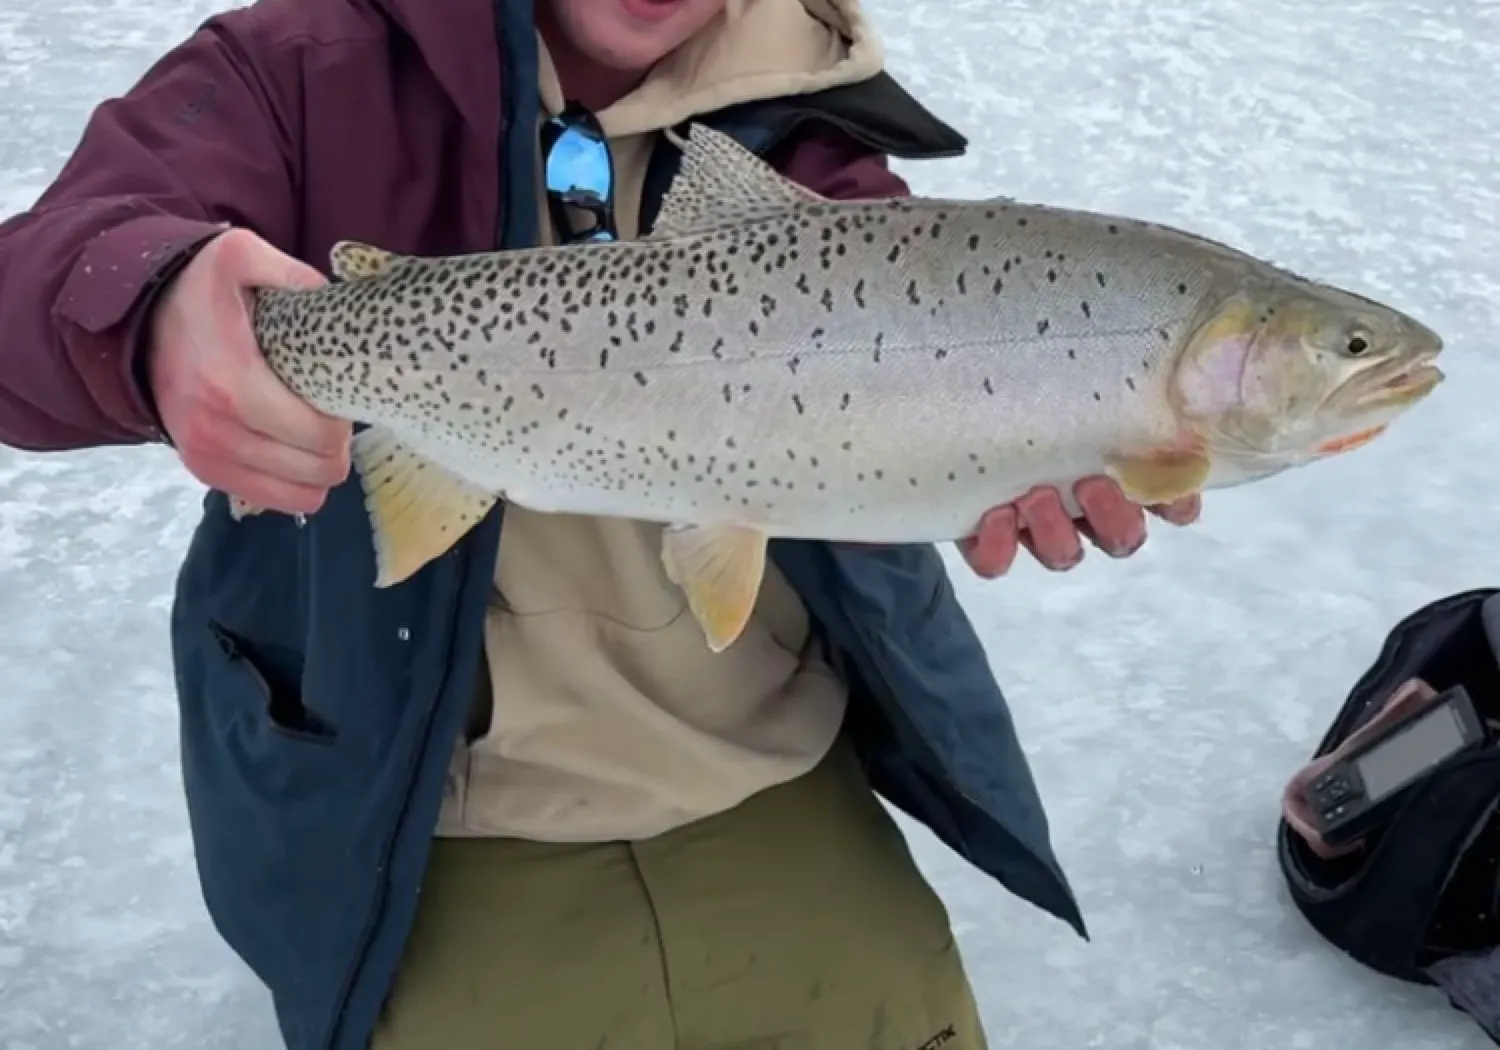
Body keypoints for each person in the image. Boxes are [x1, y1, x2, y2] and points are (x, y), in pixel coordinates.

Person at [0, 0, 1201, 1047]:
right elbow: (33, 293)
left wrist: (1001, 454)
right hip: (434, 834)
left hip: (778, 786)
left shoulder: (823, 137)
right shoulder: (301, 71)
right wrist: (148, 308)